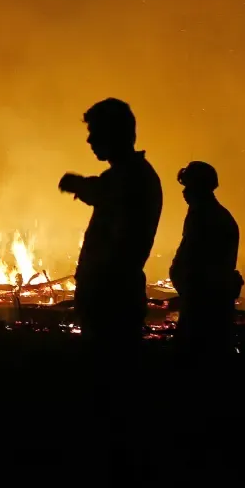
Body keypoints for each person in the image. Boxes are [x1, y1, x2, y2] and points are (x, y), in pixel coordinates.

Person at [58, 98, 163, 358]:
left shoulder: (133, 177)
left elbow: (104, 192)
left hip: (113, 301)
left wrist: (79, 184)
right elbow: (104, 189)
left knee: (108, 376)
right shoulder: (130, 174)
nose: (90, 140)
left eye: (95, 132)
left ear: (113, 133)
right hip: (110, 298)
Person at [169, 161, 243, 357]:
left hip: (204, 306)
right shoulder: (211, 215)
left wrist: (186, 285)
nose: (184, 192)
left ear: (199, 187)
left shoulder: (206, 217)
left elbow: (195, 262)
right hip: (205, 301)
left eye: (188, 186)